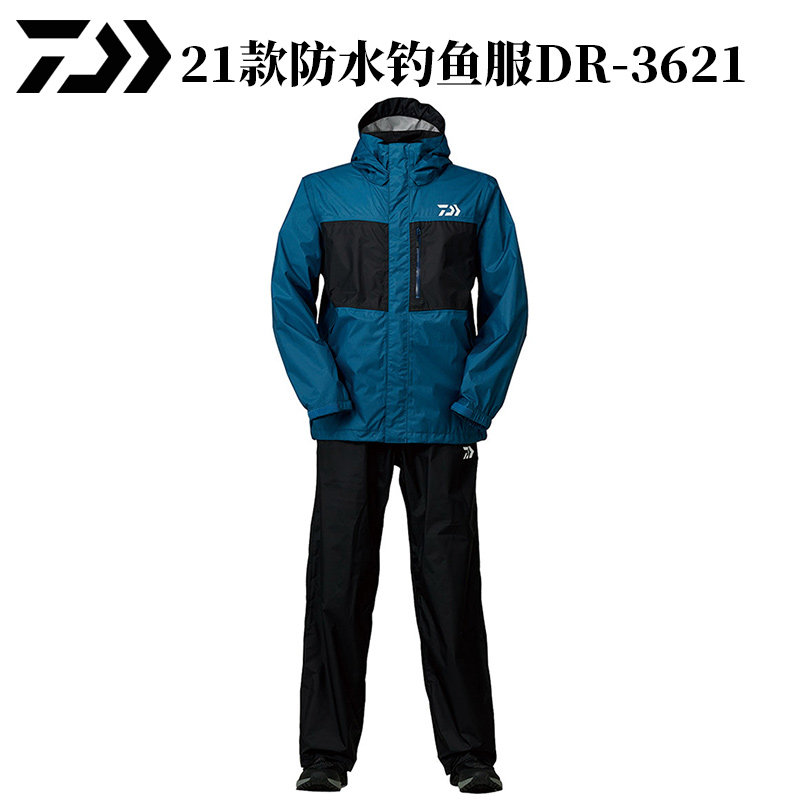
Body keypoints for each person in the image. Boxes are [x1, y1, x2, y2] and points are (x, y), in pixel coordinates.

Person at [271, 97, 528, 793]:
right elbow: (289, 297)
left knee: (451, 586)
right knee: (336, 584)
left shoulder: (475, 193)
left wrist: (475, 401)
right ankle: (325, 756)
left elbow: (507, 303)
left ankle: (469, 755)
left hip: (443, 417)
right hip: (348, 417)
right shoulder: (323, 192)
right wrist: (323, 395)